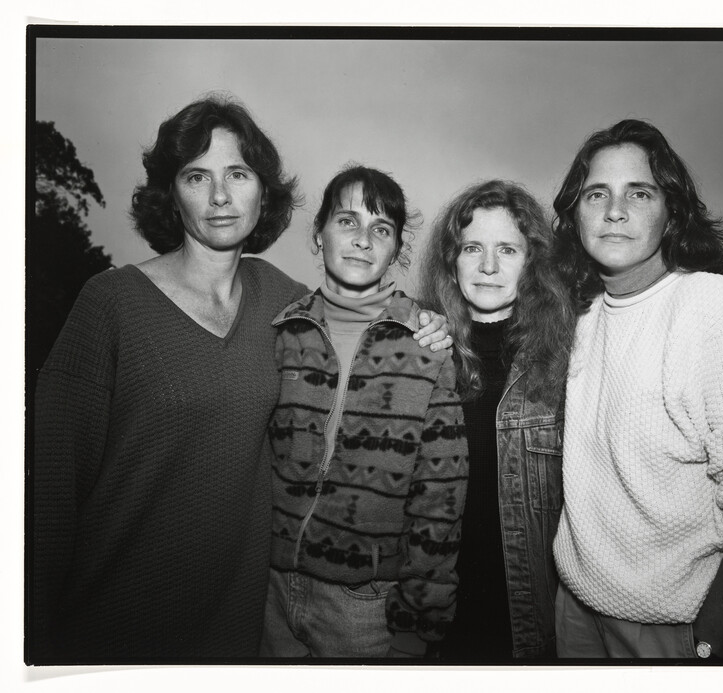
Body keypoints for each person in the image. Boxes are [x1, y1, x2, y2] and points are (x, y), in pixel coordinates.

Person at [29, 96, 450, 663]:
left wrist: (428, 323)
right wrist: (30, 643)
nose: (221, 196)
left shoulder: (283, 301)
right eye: (197, 176)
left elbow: (363, 316)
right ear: (171, 194)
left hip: (242, 629)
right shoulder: (110, 303)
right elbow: (49, 493)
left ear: (263, 192)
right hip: (113, 622)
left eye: (238, 174)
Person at [550, 119, 723, 662]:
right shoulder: (581, 323)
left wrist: (706, 644)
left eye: (639, 193)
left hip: (687, 628)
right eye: (597, 193)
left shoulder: (716, 309)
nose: (614, 210)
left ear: (671, 213)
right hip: (577, 614)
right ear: (575, 213)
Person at [260, 165, 469, 659]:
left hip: (366, 605)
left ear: (396, 248)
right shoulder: (284, 332)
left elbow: (441, 496)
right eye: (347, 222)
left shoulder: (426, 345)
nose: (362, 240)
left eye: (381, 229)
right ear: (319, 234)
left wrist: (419, 619)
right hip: (267, 589)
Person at [417, 180, 577, 661]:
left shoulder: (572, 360)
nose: (488, 267)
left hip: (534, 620)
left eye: (507, 249)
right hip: (435, 620)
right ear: (451, 259)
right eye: (472, 248)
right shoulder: (419, 352)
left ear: (533, 263)